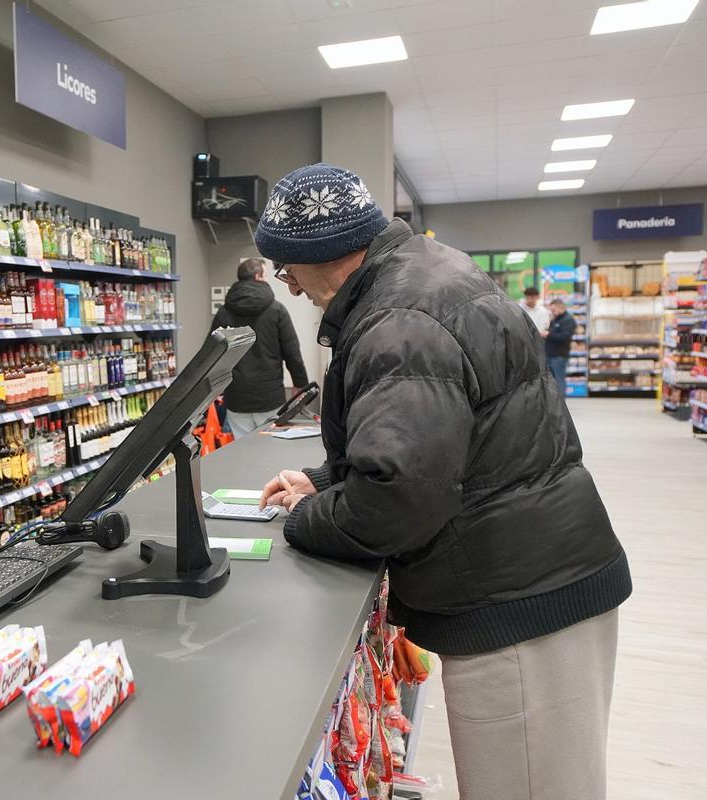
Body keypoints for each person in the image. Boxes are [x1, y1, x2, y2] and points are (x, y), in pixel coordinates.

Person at [253, 163, 630, 799]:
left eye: (288, 270)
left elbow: (399, 500)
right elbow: (450, 438)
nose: (291, 287)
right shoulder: (426, 275)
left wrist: (304, 520)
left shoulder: (399, 319)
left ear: (327, 253)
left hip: (518, 604)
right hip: (538, 572)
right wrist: (328, 481)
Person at [208, 257, 310, 436]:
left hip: (237, 397)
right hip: (270, 397)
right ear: (258, 276)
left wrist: (214, 390)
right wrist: (300, 384)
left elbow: (212, 355)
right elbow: (292, 351)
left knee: (243, 449)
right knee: (271, 449)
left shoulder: (223, 313)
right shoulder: (277, 310)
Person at [545, 298, 577, 398]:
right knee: (552, 382)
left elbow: (564, 337)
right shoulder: (555, 319)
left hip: (559, 356)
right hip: (550, 355)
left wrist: (548, 334)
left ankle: (561, 404)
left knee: (559, 380)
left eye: (554, 310)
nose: (552, 312)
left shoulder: (568, 320)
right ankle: (554, 404)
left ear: (561, 307)